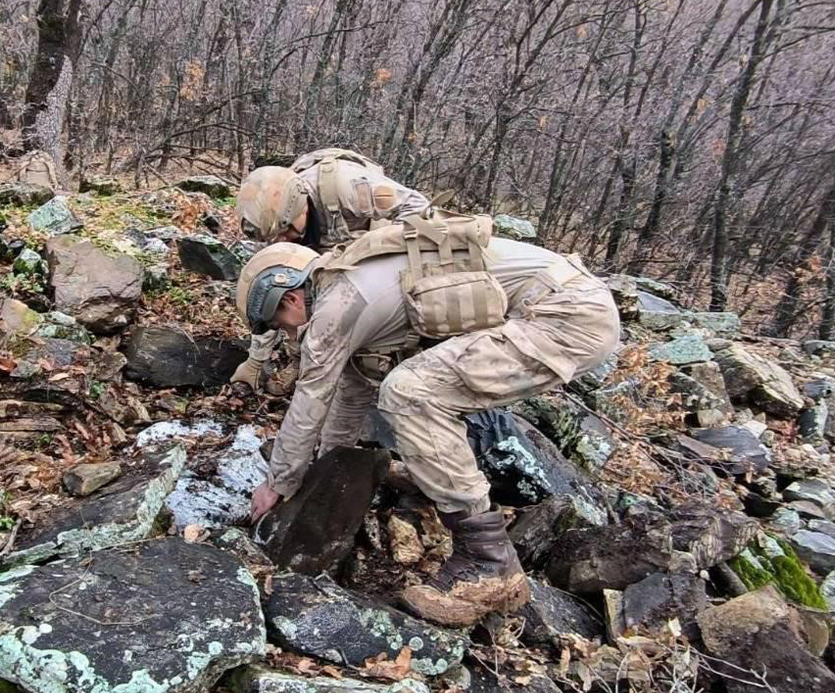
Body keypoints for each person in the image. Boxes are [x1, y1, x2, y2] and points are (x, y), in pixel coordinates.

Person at [234, 211, 621, 627]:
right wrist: (331, 471)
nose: (288, 336)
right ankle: (464, 515)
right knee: (415, 387)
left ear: (290, 299)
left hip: (566, 315)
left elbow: (310, 400)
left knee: (410, 391)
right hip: (569, 304)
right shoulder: (349, 284)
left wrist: (278, 484)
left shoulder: (336, 308)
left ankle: (488, 561)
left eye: (279, 325)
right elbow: (350, 393)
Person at [228, 149, 430, 389]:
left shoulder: (346, 187)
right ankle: (303, 361)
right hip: (328, 262)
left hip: (375, 253)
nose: (283, 241)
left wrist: (377, 255)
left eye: (286, 233)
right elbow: (270, 300)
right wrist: (256, 360)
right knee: (299, 302)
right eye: (275, 237)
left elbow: (419, 210)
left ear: (301, 209)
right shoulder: (273, 218)